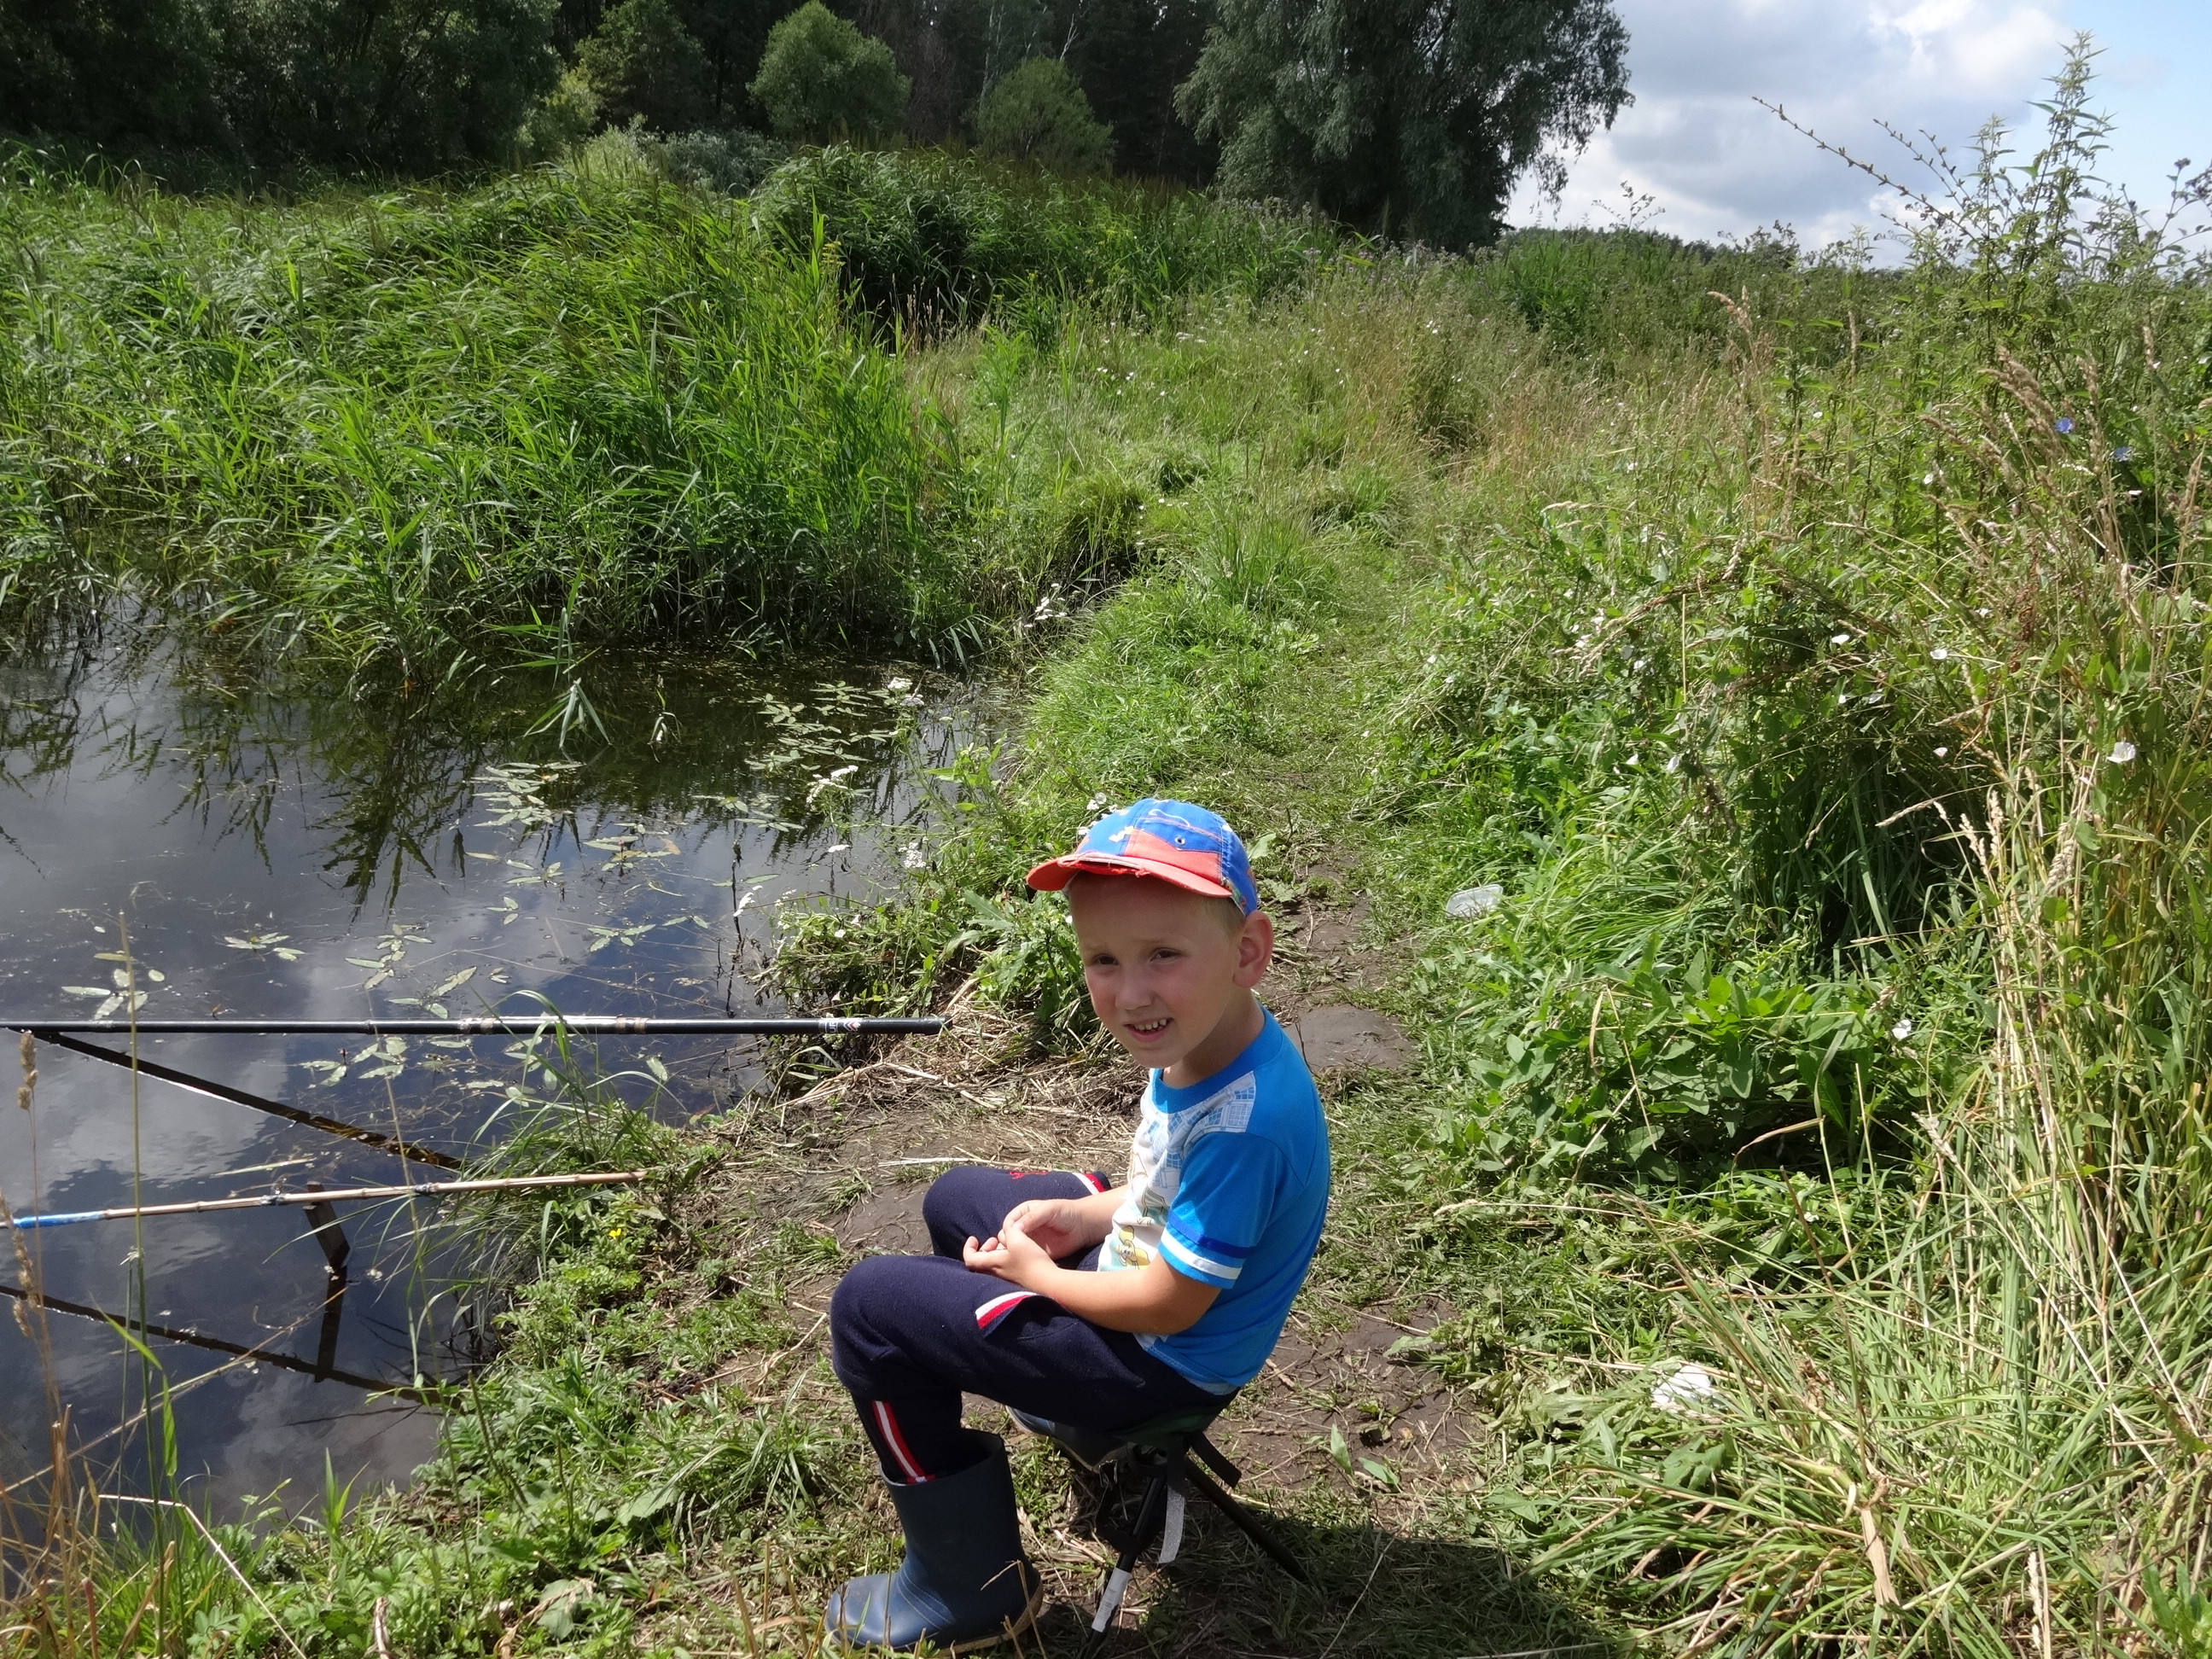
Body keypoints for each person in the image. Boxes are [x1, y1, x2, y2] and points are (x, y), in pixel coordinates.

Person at [823, 799, 1332, 1651]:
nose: (1131, 994)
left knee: (870, 1308)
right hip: (1144, 1299)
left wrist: (1044, 1278)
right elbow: (1169, 1183)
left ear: (1248, 951)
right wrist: (1083, 1214)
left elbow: (1170, 1303)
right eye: (1104, 959)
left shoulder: (1248, 1124)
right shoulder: (1211, 1038)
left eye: (1163, 954)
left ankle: (970, 1590)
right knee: (956, 1198)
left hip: (1160, 1367)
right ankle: (1064, 1410)